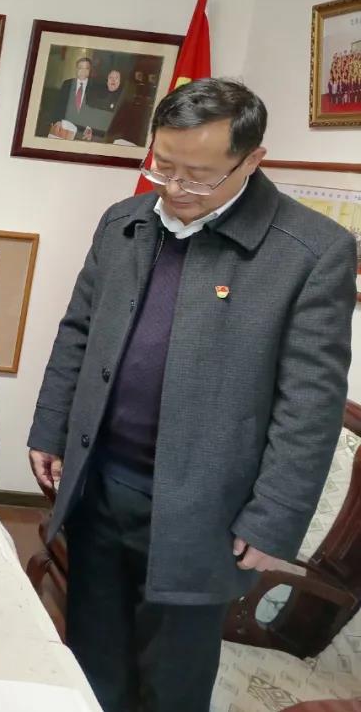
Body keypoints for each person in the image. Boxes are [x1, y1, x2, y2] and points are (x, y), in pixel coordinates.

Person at [26, 78, 355, 712]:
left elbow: (310, 404)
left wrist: (274, 517)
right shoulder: (124, 221)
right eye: (163, 165)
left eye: (198, 176)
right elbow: (79, 331)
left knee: (172, 678)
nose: (174, 188)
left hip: (204, 509)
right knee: (93, 654)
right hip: (101, 483)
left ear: (252, 160)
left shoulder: (311, 252)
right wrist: (51, 428)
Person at [49, 57, 94, 140]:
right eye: (80, 68)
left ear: (90, 70)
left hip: (83, 130)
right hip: (64, 127)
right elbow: (59, 104)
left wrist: (90, 127)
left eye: (86, 68)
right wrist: (57, 120)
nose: (83, 71)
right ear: (76, 69)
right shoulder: (67, 83)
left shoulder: (94, 87)